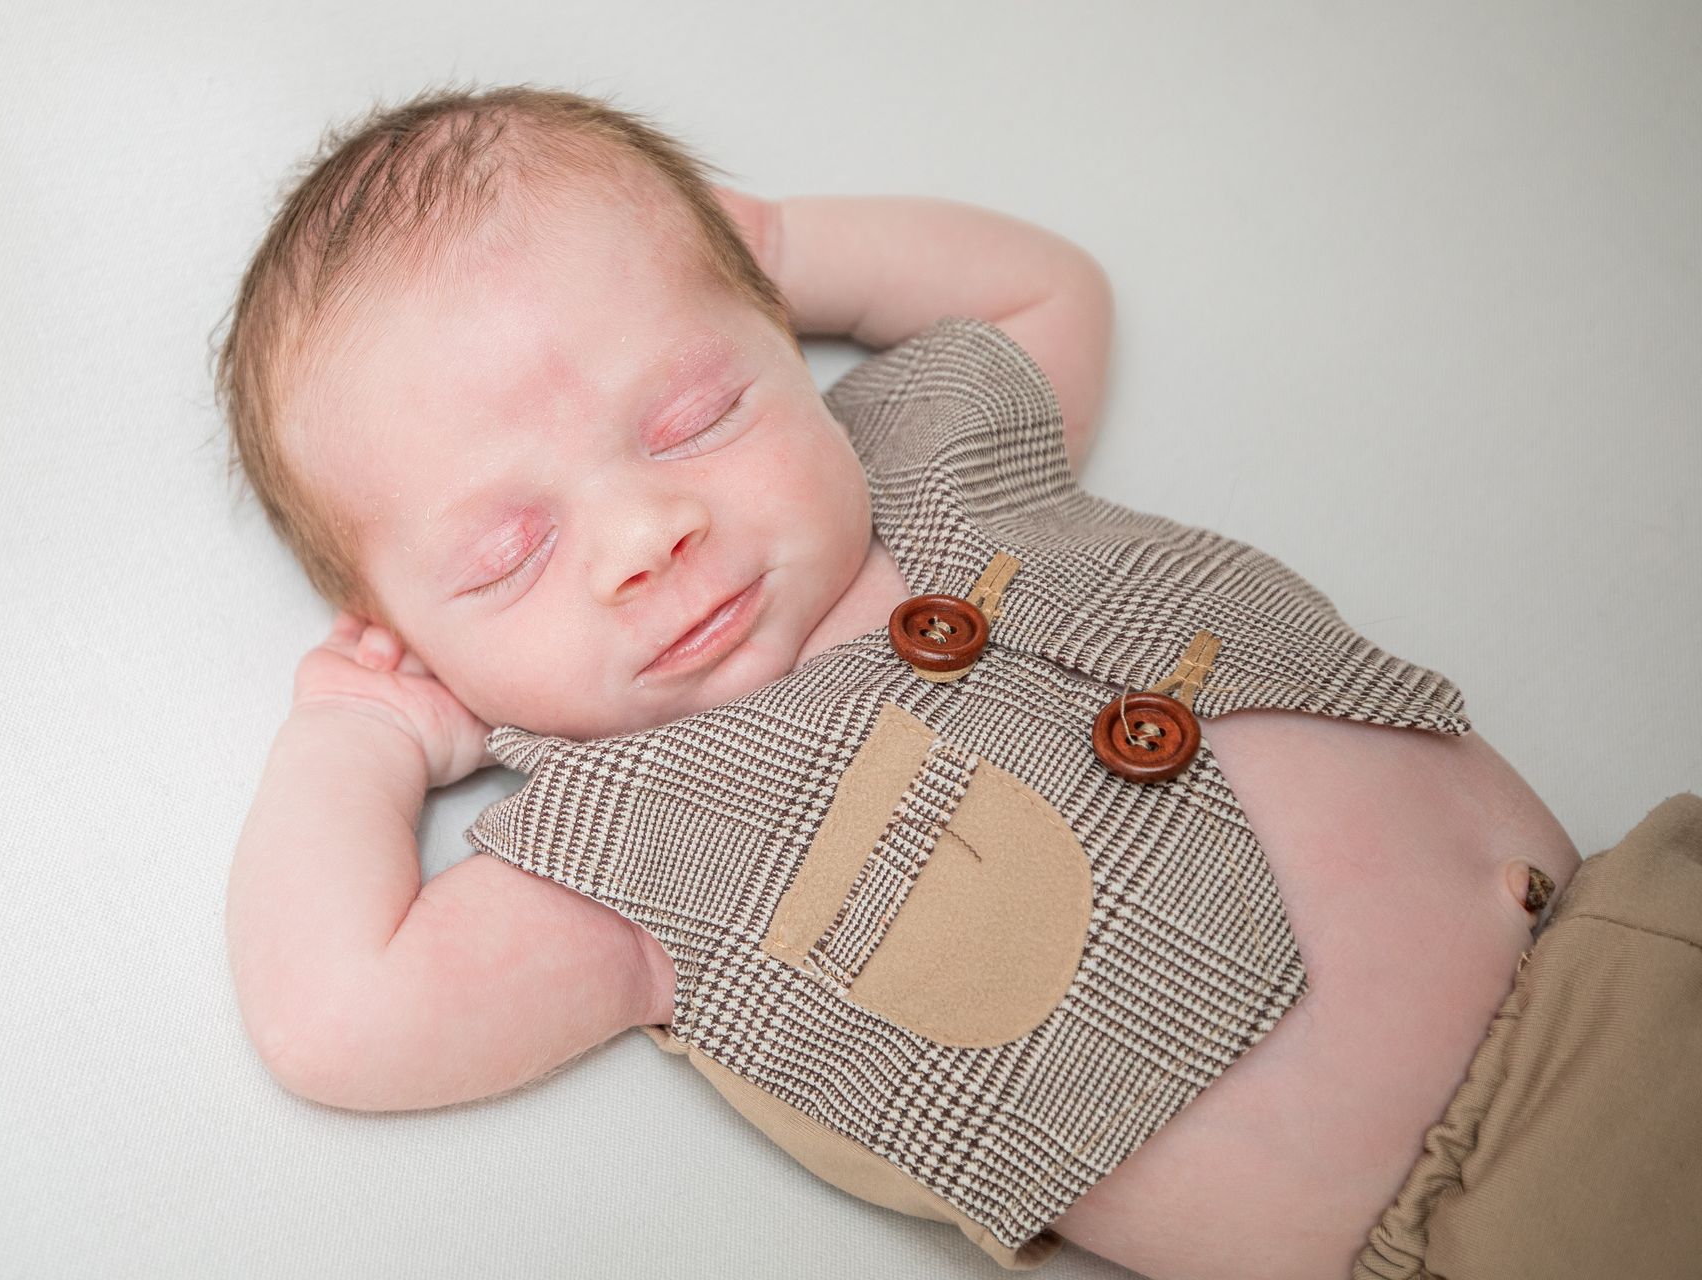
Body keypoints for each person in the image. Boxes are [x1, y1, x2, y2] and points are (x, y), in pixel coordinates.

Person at [218, 85, 1699, 1278]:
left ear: (778, 345)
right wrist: (357, 737)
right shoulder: (622, 856)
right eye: (504, 556)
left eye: (692, 413)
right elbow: (337, 1017)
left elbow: (1045, 287)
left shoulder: (930, 453)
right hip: (1487, 1221)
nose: (643, 534)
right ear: (403, 623)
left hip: (1650, 930)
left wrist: (785, 248)